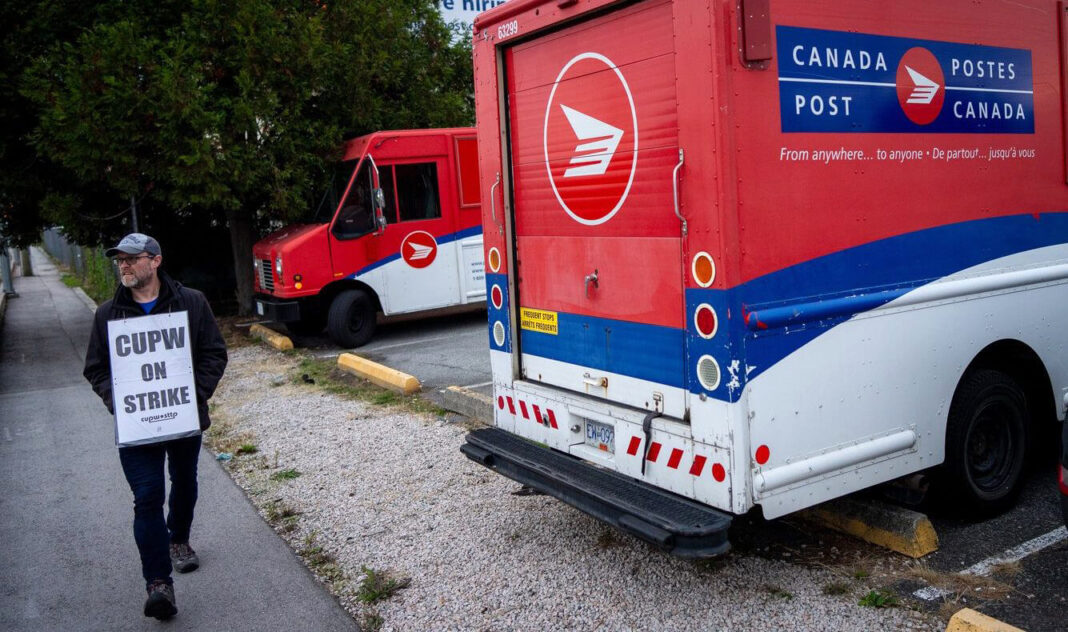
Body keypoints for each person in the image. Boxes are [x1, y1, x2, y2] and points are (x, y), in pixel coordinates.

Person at [83, 232, 227, 620]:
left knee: (184, 481)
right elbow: (95, 368)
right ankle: (158, 584)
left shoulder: (191, 302)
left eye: (132, 258)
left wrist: (193, 395)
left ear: (156, 260)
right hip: (137, 426)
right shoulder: (108, 314)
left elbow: (214, 353)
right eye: (120, 260)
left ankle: (178, 538)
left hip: (182, 418)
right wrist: (119, 403)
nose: (124, 265)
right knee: (147, 496)